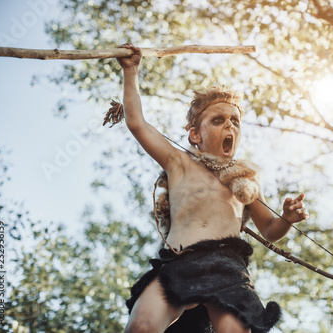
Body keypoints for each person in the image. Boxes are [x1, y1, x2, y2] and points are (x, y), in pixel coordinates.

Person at [117, 43, 308, 333]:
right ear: (195, 134)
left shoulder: (246, 180)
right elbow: (137, 123)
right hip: (179, 262)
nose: (229, 127)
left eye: (235, 121)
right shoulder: (178, 163)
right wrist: (131, 70)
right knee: (141, 326)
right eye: (217, 120)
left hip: (227, 266)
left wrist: (287, 220)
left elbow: (270, 230)